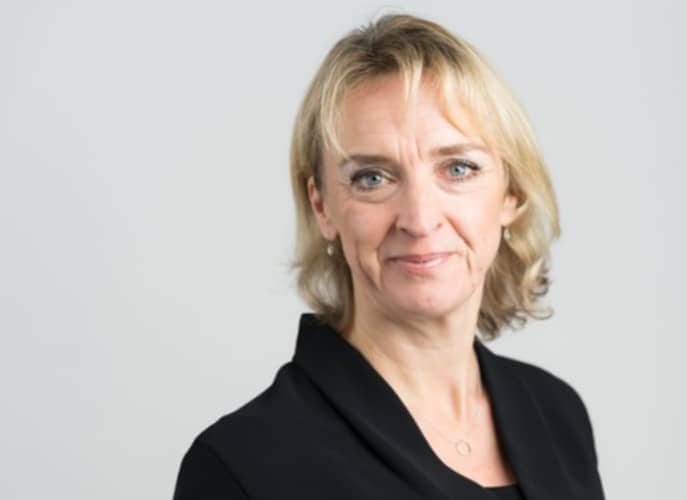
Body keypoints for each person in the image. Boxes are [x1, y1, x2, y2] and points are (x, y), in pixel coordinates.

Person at [173, 13, 605, 500]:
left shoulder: (557, 415)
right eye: (373, 178)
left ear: (511, 193)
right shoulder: (244, 464)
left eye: (458, 168)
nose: (419, 219)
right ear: (323, 207)